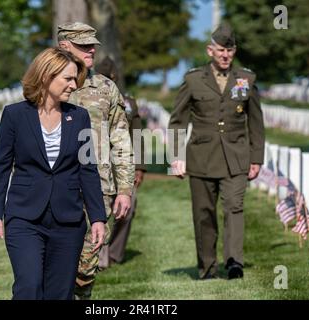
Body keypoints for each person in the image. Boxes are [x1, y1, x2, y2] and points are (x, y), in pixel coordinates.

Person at [0, 47, 106, 300]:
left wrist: (97, 218)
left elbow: (88, 169)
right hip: (24, 218)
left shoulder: (80, 117)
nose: (74, 85)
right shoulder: (14, 115)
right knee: (28, 287)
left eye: (76, 79)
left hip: (68, 221)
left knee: (59, 295)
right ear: (46, 76)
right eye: (68, 78)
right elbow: (1, 166)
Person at [168, 23, 265, 280]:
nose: (225, 55)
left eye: (230, 50)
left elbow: (256, 122)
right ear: (210, 50)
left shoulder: (246, 79)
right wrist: (176, 158)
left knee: (234, 206)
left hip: (236, 157)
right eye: (221, 50)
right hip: (201, 157)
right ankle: (208, 267)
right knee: (204, 213)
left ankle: (234, 263)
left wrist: (256, 159)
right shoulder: (192, 79)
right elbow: (177, 120)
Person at [57, 22, 135, 299]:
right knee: (54, 263)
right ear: (64, 46)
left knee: (87, 265)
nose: (92, 49)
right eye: (83, 45)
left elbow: (121, 140)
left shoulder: (105, 88)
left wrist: (125, 189)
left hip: (98, 189)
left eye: (93, 44)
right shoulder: (45, 87)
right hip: (55, 187)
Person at [95, 56, 146, 267]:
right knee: (101, 209)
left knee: (128, 207)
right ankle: (100, 257)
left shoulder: (128, 103)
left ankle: (115, 252)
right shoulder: (89, 99)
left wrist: (140, 167)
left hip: (123, 164)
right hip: (97, 163)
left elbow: (137, 136)